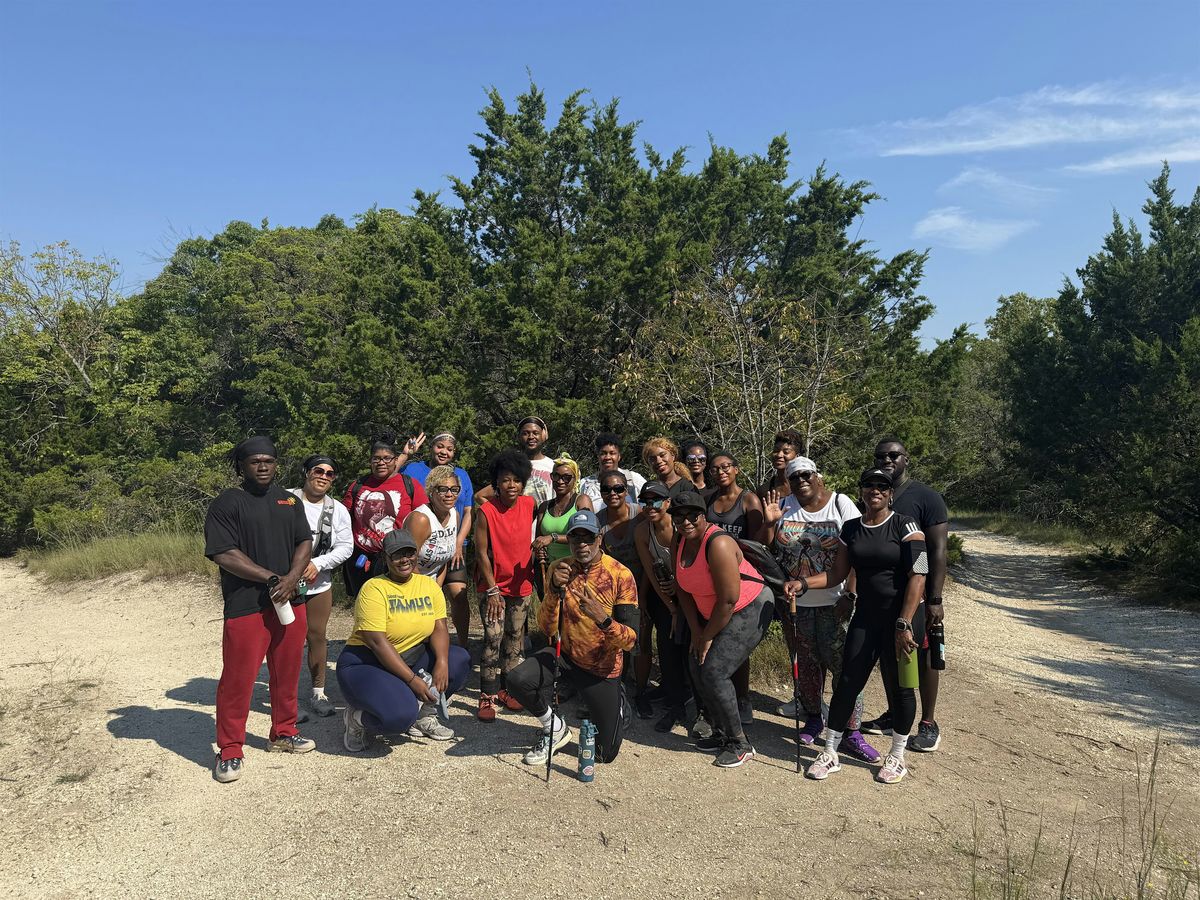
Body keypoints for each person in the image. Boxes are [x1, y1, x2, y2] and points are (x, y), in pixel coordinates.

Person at [791, 468, 927, 784]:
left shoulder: (905, 524)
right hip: (866, 618)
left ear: (891, 492)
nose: (875, 490)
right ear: (862, 491)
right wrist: (802, 583)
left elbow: (919, 573)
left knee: (901, 687)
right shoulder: (852, 528)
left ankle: (897, 757)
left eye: (882, 485)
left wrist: (904, 622)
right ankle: (830, 751)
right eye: (869, 485)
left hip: (903, 621)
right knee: (848, 682)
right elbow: (837, 575)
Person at [204, 436, 316, 783]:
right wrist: (271, 578)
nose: (263, 466)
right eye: (255, 461)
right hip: (246, 605)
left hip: (289, 601)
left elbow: (304, 541)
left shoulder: (289, 501)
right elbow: (224, 552)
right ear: (241, 467)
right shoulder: (227, 503)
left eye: (269, 460)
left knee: (287, 671)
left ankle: (283, 732)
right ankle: (230, 749)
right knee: (239, 679)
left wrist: (292, 577)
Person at [761, 456, 878, 763]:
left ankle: (850, 733)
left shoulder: (840, 505)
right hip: (795, 605)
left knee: (845, 671)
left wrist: (850, 595)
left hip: (835, 603)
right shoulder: (784, 506)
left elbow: (859, 550)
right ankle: (814, 718)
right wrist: (770, 524)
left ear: (817, 476)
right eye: (794, 476)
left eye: (806, 474)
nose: (801, 480)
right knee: (808, 669)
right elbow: (767, 551)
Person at [506, 509, 639, 766]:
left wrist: (603, 619)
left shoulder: (621, 575)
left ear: (599, 538)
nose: (582, 545)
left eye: (588, 537)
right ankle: (554, 727)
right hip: (565, 656)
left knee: (604, 756)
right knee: (517, 679)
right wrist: (554, 590)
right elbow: (546, 627)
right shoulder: (559, 568)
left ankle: (617, 701)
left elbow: (632, 641)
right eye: (575, 538)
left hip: (602, 669)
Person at [336, 529, 471, 750]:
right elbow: (377, 643)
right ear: (385, 558)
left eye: (409, 553)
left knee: (458, 659)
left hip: (409, 657)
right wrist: (411, 680)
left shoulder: (428, 585)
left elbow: (439, 627)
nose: (404, 559)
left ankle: (424, 715)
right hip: (367, 663)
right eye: (397, 555)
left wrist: (442, 663)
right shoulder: (374, 589)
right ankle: (356, 719)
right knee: (399, 717)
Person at [671, 490, 775, 768]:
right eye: (679, 517)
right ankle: (720, 731)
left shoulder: (717, 543)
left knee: (715, 671)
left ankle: (740, 743)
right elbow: (682, 590)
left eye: (692, 516)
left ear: (703, 516)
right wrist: (695, 631)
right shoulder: (679, 540)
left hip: (749, 606)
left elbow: (729, 600)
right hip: (714, 611)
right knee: (696, 664)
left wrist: (706, 637)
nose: (685, 522)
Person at [859, 438, 949, 753]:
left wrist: (935, 598)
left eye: (893, 455)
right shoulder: (873, 492)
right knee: (889, 658)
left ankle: (928, 723)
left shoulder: (927, 497)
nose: (887, 459)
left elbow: (936, 551)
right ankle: (895, 714)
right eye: (880, 455)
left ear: (905, 459)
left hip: (919, 595)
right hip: (882, 596)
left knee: (921, 656)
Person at [288, 454, 354, 718]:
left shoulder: (337, 509)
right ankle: (286, 699)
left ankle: (318, 692)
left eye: (330, 473)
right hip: (285, 583)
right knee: (287, 640)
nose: (323, 476)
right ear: (306, 472)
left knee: (317, 637)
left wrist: (319, 563)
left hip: (318, 585)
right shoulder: (285, 499)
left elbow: (346, 546)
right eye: (318, 470)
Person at [474, 449, 537, 721]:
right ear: (495, 483)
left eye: (516, 480)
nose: (511, 485)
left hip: (521, 585)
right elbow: (480, 553)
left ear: (523, 481)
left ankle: (507, 690)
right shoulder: (486, 511)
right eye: (505, 480)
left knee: (514, 638)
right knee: (493, 638)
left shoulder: (530, 505)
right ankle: (486, 695)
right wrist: (492, 590)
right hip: (493, 586)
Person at [704, 451, 766, 726]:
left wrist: (771, 523)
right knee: (719, 641)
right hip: (709, 579)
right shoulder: (709, 500)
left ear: (736, 469)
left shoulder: (748, 499)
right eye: (715, 469)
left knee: (736, 645)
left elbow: (759, 543)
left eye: (726, 467)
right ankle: (719, 700)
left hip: (742, 579)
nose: (720, 472)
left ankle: (742, 699)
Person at [401, 432, 475, 649]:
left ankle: (462, 645)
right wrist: (405, 454)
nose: (444, 452)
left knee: (457, 595)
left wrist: (459, 542)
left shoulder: (461, 475)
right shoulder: (414, 469)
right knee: (428, 611)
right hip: (423, 547)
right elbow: (390, 477)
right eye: (439, 447)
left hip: (450, 546)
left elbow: (469, 510)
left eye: (449, 449)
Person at [633, 481, 693, 733]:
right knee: (668, 645)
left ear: (668, 502)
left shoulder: (680, 529)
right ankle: (675, 701)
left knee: (688, 650)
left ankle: (691, 703)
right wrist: (672, 608)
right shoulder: (642, 531)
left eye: (656, 500)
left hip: (692, 590)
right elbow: (650, 571)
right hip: (666, 593)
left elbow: (693, 566)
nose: (650, 506)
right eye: (645, 501)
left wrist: (680, 598)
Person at [341, 433, 429, 599]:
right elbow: (342, 519)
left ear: (396, 460)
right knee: (364, 606)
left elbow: (424, 521)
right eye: (376, 458)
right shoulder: (357, 485)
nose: (381, 462)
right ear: (370, 461)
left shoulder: (409, 485)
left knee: (394, 605)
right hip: (360, 560)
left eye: (387, 458)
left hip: (396, 560)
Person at [594, 471, 650, 715]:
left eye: (618, 489)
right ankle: (617, 689)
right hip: (613, 593)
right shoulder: (598, 521)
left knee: (641, 641)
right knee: (615, 641)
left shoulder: (640, 514)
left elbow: (652, 553)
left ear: (626, 490)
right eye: (607, 489)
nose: (613, 494)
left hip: (644, 585)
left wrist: (645, 596)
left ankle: (641, 693)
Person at [532, 454, 594, 569]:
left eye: (566, 477)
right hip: (550, 569)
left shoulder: (581, 501)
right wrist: (540, 550)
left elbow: (587, 536)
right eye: (556, 476)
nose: (560, 481)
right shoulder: (544, 507)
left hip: (576, 568)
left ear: (575, 479)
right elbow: (539, 540)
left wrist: (553, 537)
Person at [403, 465, 460, 582]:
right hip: (408, 581)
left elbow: (442, 562)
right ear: (431, 491)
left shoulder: (455, 516)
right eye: (443, 489)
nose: (449, 494)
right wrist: (427, 591)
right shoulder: (420, 519)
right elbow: (407, 561)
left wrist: (437, 589)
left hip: (432, 582)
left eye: (454, 489)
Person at [579, 433, 647, 508]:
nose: (608, 457)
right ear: (598, 456)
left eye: (612, 453)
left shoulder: (633, 479)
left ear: (619, 456)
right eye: (603, 453)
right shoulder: (585, 484)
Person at [756, 430, 805, 504]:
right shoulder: (764, 491)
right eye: (776, 450)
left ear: (797, 456)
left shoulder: (806, 483)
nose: (779, 455)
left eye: (786, 452)